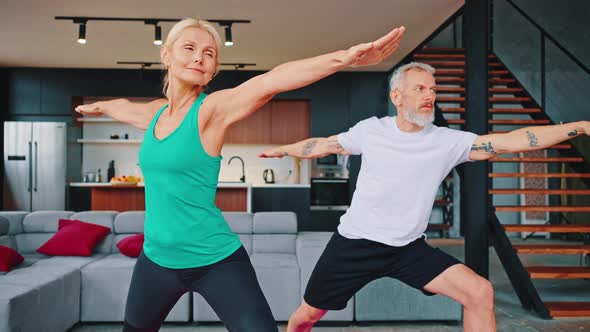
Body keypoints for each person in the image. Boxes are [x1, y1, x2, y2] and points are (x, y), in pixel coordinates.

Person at [75, 17, 405, 332]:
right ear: (166, 54)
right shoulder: (155, 114)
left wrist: (343, 59)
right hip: (156, 260)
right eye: (189, 48)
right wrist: (104, 105)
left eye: (209, 54)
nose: (199, 58)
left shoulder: (211, 111)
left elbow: (270, 81)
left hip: (215, 259)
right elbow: (123, 106)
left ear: (214, 67)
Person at [260, 61, 590, 332]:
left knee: (480, 293)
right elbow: (323, 144)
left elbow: (513, 141)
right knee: (306, 317)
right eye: (420, 88)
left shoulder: (447, 141)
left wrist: (581, 126)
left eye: (433, 89)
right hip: (354, 245)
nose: (429, 95)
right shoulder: (371, 130)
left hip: (408, 248)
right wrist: (282, 151)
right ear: (397, 96)